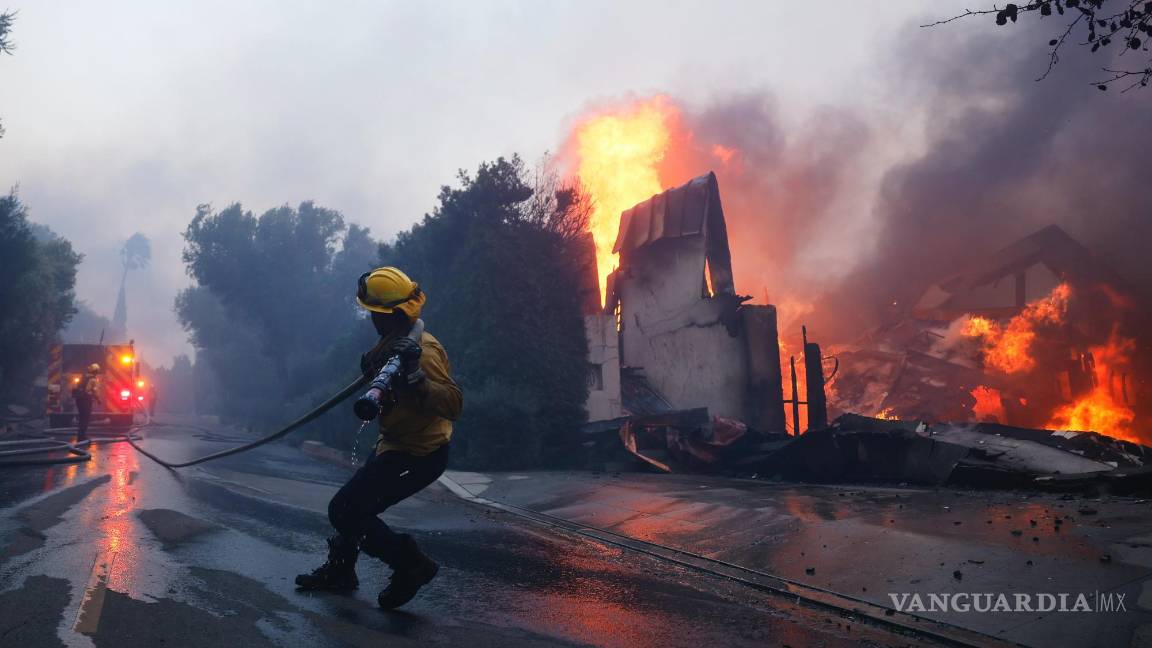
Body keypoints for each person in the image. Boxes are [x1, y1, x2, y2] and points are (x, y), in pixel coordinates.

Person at [296, 266, 463, 609]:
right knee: (358, 507)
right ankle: (341, 571)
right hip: (393, 445)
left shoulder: (424, 352)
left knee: (344, 510)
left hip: (419, 454)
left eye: (373, 312)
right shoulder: (393, 341)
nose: (370, 318)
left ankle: (412, 565)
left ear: (389, 315)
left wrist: (418, 379)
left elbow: (454, 404)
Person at [73, 363, 102, 441]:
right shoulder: (93, 380)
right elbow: (94, 391)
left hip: (79, 400)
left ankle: (80, 435)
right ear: (96, 371)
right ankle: (82, 436)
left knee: (82, 417)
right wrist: (98, 400)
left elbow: (76, 387)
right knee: (85, 418)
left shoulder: (83, 377)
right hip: (86, 400)